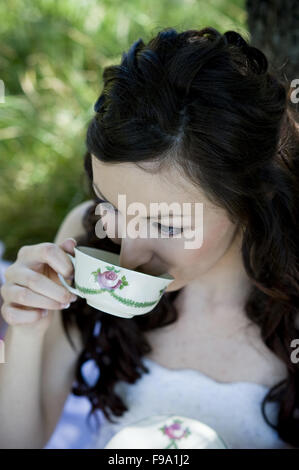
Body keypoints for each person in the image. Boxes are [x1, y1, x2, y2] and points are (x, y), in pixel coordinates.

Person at [0, 26, 298, 449]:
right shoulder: (87, 241)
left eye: (168, 225)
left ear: (250, 199)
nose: (129, 254)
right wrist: (26, 331)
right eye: (112, 206)